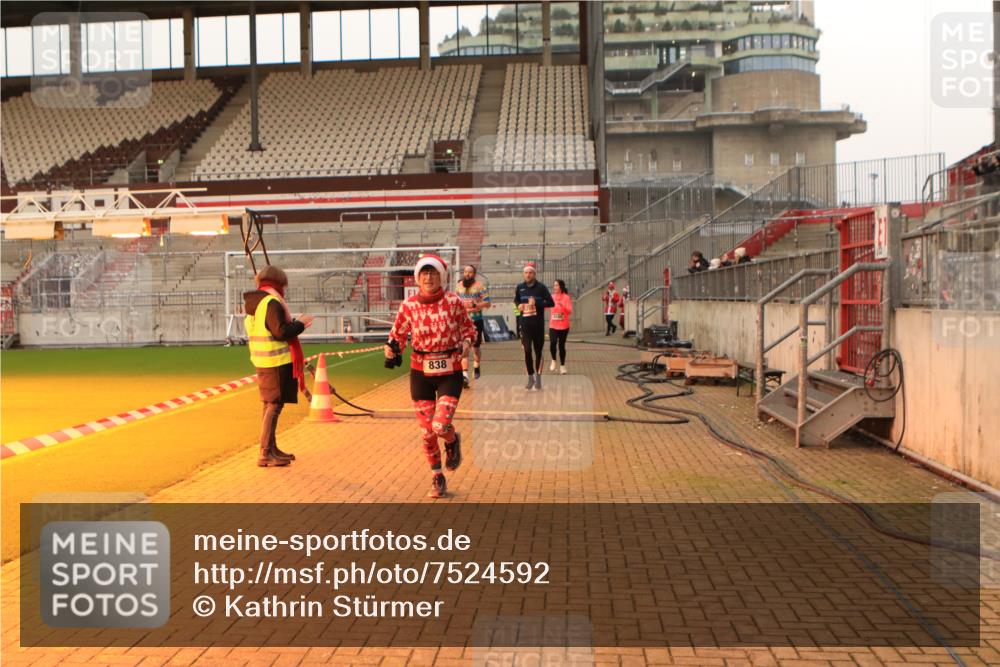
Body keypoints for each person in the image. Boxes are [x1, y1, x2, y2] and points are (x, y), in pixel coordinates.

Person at [385, 253, 476, 499]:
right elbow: (397, 335)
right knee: (426, 433)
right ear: (417, 277)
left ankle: (451, 440)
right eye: (424, 273)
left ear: (442, 276)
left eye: (433, 272)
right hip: (420, 371)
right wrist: (392, 349)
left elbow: (469, 329)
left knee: (439, 425)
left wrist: (467, 342)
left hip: (450, 370)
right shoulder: (409, 306)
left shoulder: (454, 301)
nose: (428, 277)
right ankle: (437, 476)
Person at [243, 266, 314, 468]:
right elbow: (281, 332)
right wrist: (300, 324)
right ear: (278, 283)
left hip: (262, 361)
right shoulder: (271, 303)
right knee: (274, 406)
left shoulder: (254, 304)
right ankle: (266, 452)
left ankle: (271, 448)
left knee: (269, 405)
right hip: (276, 362)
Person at [514, 262, 555, 391]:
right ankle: (530, 378)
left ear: (534, 274)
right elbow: (516, 301)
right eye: (526, 272)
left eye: (530, 272)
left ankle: (538, 378)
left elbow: (551, 303)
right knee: (527, 351)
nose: (528, 275)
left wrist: (537, 302)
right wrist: (518, 306)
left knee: (538, 352)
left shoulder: (541, 287)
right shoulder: (519, 287)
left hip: (538, 325)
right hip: (525, 325)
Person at [455, 265, 491, 387]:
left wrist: (475, 305)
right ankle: (464, 376)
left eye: (470, 272)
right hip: (462, 321)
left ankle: (476, 365)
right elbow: (455, 301)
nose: (467, 274)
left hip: (476, 320)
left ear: (474, 274)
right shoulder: (459, 285)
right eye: (465, 272)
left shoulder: (480, 286)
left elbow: (488, 303)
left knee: (475, 347)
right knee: (463, 347)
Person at [548, 279, 573, 375]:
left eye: (557, 285)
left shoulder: (566, 297)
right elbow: (545, 305)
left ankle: (562, 366)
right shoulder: (552, 297)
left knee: (561, 346)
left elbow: (569, 311)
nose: (555, 287)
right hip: (553, 325)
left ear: (561, 286)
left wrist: (563, 306)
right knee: (553, 342)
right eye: (554, 285)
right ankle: (554, 360)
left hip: (564, 326)